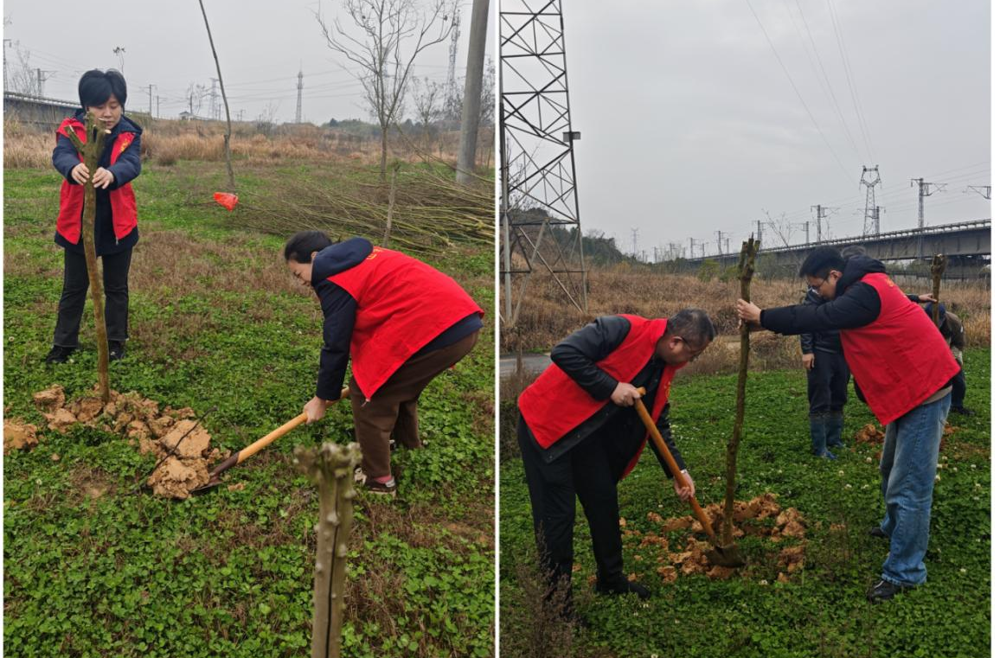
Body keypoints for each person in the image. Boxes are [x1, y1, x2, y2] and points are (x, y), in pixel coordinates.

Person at [736, 247, 958, 603]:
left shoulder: (864, 292)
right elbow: (819, 312)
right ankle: (894, 528)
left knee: (909, 486)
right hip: (907, 387)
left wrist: (762, 315)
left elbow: (818, 317)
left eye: (818, 286)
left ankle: (905, 572)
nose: (817, 293)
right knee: (890, 469)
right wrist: (765, 323)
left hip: (924, 388)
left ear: (835, 276)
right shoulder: (866, 285)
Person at [516, 309, 716, 613]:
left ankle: (611, 579)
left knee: (603, 501)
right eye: (694, 354)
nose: (691, 361)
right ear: (675, 342)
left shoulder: (663, 367)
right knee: (557, 519)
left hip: (586, 436)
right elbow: (564, 352)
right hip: (547, 427)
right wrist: (611, 387)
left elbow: (656, 420)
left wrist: (679, 471)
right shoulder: (621, 329)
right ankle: (557, 606)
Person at [284, 231, 483, 496]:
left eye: (298, 274)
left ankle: (378, 478)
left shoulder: (332, 276)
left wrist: (321, 399)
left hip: (436, 327)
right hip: (461, 322)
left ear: (314, 257)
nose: (301, 282)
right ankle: (406, 444)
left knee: (369, 394)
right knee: (398, 385)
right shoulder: (358, 257)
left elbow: (336, 343)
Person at [46, 69, 142, 364]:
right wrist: (71, 167)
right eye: (100, 106)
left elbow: (132, 163)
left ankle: (115, 342)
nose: (108, 113)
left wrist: (112, 174)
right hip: (78, 223)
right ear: (86, 106)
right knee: (74, 287)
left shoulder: (129, 133)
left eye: (114, 106)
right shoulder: (71, 130)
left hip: (117, 224)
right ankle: (64, 343)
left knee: (116, 287)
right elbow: (61, 154)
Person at [799, 286, 848, 459]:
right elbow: (805, 322)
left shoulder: (844, 291)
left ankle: (834, 439)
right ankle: (819, 447)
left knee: (839, 395)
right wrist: (807, 350)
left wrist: (914, 298)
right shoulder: (814, 295)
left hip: (842, 352)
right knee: (820, 398)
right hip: (821, 352)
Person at [924, 303, 973, 416]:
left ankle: (956, 405)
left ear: (943, 318)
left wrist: (947, 361)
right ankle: (927, 404)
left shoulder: (954, 322)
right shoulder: (917, 320)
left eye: (938, 322)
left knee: (957, 376)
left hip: (951, 347)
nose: (935, 325)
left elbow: (958, 344)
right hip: (928, 347)